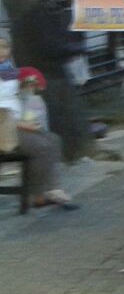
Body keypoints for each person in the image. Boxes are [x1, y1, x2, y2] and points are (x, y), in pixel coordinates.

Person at [12, 0, 93, 160]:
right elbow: (51, 47)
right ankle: (64, 154)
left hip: (46, 72)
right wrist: (75, 49)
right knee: (56, 116)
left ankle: (67, 153)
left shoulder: (39, 15)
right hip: (47, 73)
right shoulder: (43, 17)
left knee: (57, 116)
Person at [9, 67, 76, 209]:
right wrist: (21, 124)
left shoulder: (29, 96)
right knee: (41, 147)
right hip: (7, 131)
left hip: (19, 126)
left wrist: (29, 120)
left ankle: (53, 188)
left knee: (54, 140)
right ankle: (37, 194)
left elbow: (31, 118)